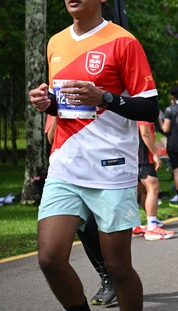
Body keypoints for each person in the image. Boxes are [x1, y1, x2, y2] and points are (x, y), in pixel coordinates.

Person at [29, 0, 159, 311]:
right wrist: (47, 103)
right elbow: (66, 106)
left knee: (117, 267)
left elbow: (149, 108)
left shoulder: (123, 41)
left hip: (111, 168)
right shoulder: (56, 42)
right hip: (66, 165)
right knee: (50, 258)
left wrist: (105, 97)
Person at [44, 115, 117, 307]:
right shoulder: (57, 102)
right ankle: (107, 275)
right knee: (84, 227)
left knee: (102, 229)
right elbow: (51, 138)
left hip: (103, 170)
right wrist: (57, 112)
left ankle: (115, 273)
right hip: (69, 172)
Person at [132, 122, 175, 241]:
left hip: (134, 157)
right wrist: (155, 154)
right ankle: (152, 227)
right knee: (153, 188)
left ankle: (136, 225)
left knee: (142, 190)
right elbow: (145, 133)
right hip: (144, 156)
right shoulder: (143, 112)